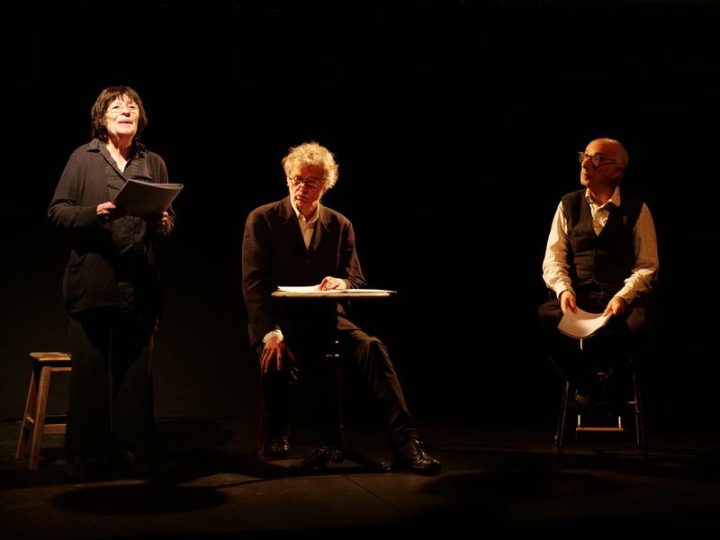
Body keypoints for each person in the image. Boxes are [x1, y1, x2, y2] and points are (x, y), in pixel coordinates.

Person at [242, 141, 441, 474]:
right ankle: (279, 431)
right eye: (296, 179)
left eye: (311, 181)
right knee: (278, 353)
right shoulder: (263, 219)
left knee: (372, 347)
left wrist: (342, 283)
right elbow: (253, 284)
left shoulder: (339, 224)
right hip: (282, 321)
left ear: (326, 185)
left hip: (327, 319)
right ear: (287, 178)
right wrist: (270, 333)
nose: (302, 187)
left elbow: (355, 276)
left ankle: (406, 444)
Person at [48, 85, 175, 479]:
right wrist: (94, 212)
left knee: (135, 375)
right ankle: (85, 454)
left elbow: (167, 222)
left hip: (140, 285)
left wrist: (164, 221)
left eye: (132, 106)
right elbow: (58, 212)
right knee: (90, 373)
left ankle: (133, 450)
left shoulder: (153, 162)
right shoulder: (82, 158)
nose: (126, 111)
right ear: (101, 118)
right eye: (117, 107)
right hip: (94, 282)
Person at [538, 137, 659, 411]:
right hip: (579, 296)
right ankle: (588, 385)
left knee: (640, 326)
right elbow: (553, 259)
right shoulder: (568, 205)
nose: (585, 164)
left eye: (596, 159)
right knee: (545, 318)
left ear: (616, 172)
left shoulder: (637, 208)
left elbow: (647, 265)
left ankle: (616, 388)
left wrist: (623, 297)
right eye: (585, 156)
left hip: (618, 298)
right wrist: (564, 289)